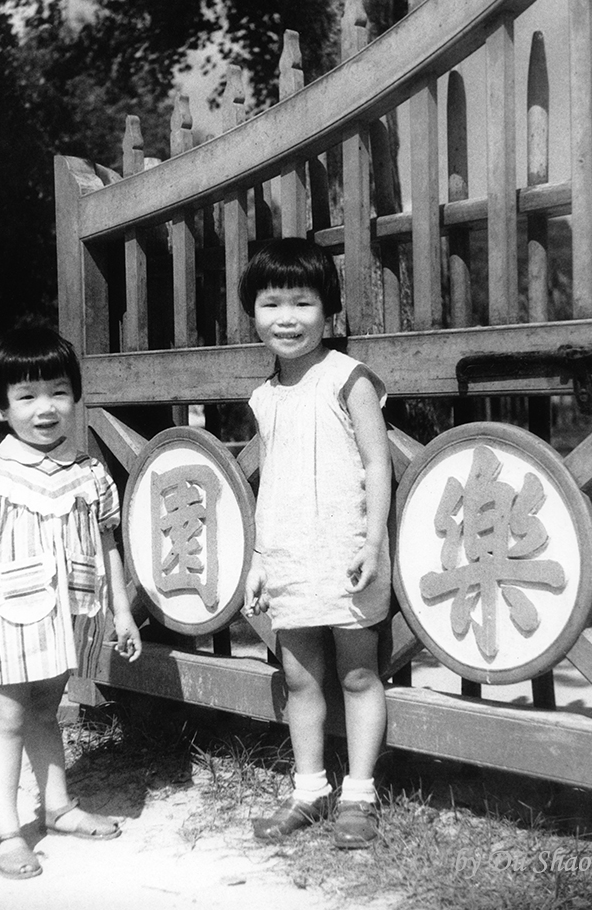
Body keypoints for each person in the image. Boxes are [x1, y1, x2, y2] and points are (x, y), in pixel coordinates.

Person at [0, 324, 142, 881]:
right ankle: (4, 830)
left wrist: (123, 611)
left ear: (74, 394)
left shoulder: (89, 472)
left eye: (57, 391)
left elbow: (107, 542)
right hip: (11, 617)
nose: (45, 408)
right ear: (3, 406)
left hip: (68, 617)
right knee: (7, 718)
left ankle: (57, 806)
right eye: (26, 396)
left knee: (46, 709)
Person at [238, 238, 392, 850]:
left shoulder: (347, 377)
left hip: (347, 552)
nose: (287, 318)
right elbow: (271, 479)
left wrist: (373, 541)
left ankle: (358, 794)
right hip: (288, 556)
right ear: (252, 312)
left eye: (302, 303)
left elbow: (378, 465)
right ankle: (308, 790)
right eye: (271, 303)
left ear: (327, 310)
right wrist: (256, 558)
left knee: (358, 674)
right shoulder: (264, 395)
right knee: (299, 678)